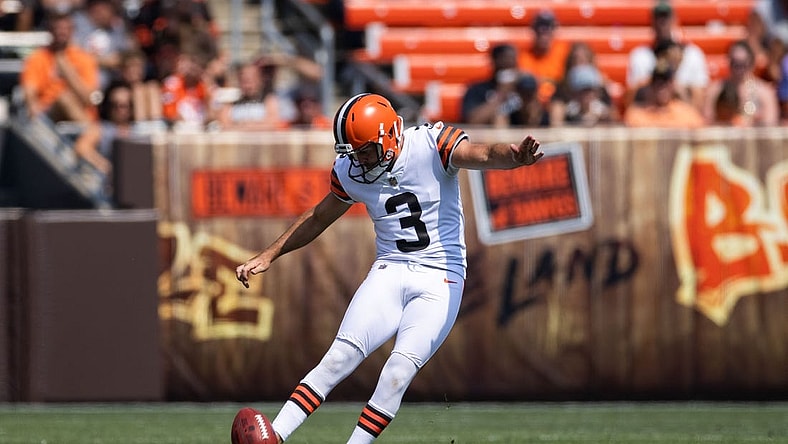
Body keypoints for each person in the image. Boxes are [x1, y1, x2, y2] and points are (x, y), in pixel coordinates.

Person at [235, 92, 545, 444]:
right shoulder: (352, 171)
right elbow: (320, 216)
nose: (359, 160)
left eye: (365, 150)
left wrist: (515, 157)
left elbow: (484, 154)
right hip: (390, 268)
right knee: (339, 356)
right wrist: (270, 254)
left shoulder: (429, 144)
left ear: (390, 135)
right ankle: (275, 435)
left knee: (398, 369)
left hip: (440, 276)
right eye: (352, 152)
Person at [19, 8, 101, 124]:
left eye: (65, 29)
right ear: (50, 30)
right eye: (57, 28)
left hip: (80, 110)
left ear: (72, 30)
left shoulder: (83, 58)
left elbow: (89, 98)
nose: (61, 32)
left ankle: (89, 131)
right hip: (48, 112)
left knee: (66, 99)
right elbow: (29, 89)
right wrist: (32, 105)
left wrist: (66, 70)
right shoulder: (38, 57)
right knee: (63, 99)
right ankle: (91, 131)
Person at [626, 1, 709, 112]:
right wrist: (656, 84)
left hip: (683, 119)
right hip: (651, 116)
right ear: (652, 21)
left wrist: (676, 88)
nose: (662, 22)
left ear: (674, 20)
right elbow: (630, 101)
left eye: (666, 17)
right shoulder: (640, 56)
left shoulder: (692, 54)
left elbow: (700, 100)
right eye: (658, 18)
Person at [461, 43, 541, 127]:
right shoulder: (477, 89)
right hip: (490, 137)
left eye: (513, 60)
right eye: (505, 61)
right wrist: (502, 94)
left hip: (520, 135)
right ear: (494, 61)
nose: (509, 64)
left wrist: (528, 95)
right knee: (499, 118)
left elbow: (534, 119)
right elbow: (472, 121)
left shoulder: (522, 89)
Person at [704, 40, 779, 126]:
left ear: (751, 63)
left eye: (742, 64)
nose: (738, 70)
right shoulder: (716, 90)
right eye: (734, 64)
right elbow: (707, 122)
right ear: (729, 62)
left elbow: (770, 124)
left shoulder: (764, 92)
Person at [623, 62, 706, 128]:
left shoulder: (687, 113)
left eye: (666, 82)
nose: (662, 86)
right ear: (650, 85)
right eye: (657, 82)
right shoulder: (637, 115)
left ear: (673, 85)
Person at [517, 9, 570, 104]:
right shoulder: (523, 55)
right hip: (532, 102)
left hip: (560, 100)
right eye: (540, 28)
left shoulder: (564, 52)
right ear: (534, 30)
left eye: (549, 28)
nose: (544, 33)